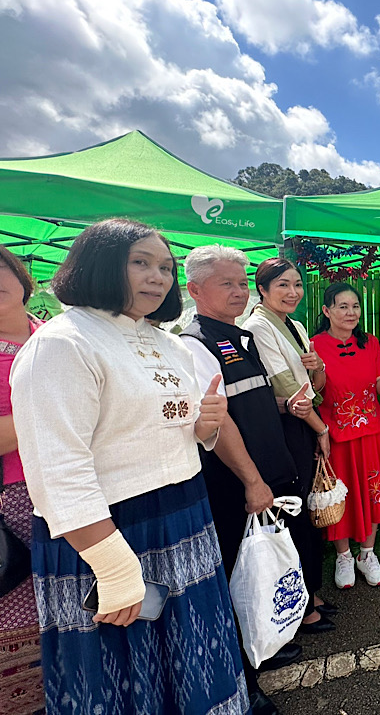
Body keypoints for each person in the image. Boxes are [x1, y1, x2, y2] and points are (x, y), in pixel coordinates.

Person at [10, 219, 247, 715]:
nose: (158, 277)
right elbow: (57, 467)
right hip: (108, 532)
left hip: (186, 516)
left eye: (165, 267)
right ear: (99, 263)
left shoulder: (168, 342)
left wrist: (203, 427)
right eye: (141, 262)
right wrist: (113, 566)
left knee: (195, 656)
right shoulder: (63, 342)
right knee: (123, 673)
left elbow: (161, 434)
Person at [181, 245, 325, 714]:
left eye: (241, 283)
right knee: (238, 572)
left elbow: (258, 404)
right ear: (195, 290)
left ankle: (266, 641)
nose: (239, 291)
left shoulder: (240, 337)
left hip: (270, 474)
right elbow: (219, 422)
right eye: (227, 283)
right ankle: (243, 685)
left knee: (264, 567)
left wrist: (286, 408)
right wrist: (251, 480)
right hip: (237, 485)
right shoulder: (196, 342)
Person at [242, 258, 334, 633]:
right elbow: (286, 389)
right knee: (292, 512)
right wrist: (321, 429)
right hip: (285, 427)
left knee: (307, 510)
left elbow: (316, 385)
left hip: (305, 420)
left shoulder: (295, 325)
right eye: (282, 284)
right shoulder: (257, 327)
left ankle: (312, 591)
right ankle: (301, 606)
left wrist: (317, 367)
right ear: (262, 289)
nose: (292, 292)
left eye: (297, 284)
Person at [311, 282, 380, 589]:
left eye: (355, 306)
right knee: (340, 496)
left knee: (373, 492)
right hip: (335, 436)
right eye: (343, 306)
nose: (351, 313)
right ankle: (344, 555)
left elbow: (378, 382)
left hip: (371, 433)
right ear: (327, 311)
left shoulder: (370, 343)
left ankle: (367, 554)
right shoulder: (314, 345)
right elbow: (312, 390)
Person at [0, 246, 44, 715]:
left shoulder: (53, 335)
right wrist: (52, 407)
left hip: (73, 487)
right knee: (18, 610)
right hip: (13, 497)